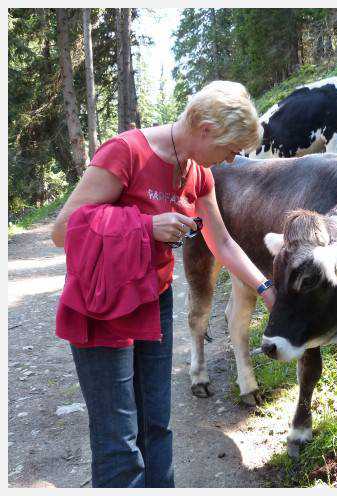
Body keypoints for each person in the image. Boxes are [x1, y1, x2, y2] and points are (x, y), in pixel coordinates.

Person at [51, 80, 275, 488]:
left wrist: (267, 290)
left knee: (157, 426)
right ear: (206, 129)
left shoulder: (198, 174)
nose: (231, 160)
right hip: (103, 305)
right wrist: (146, 226)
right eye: (230, 149)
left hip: (153, 299)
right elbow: (63, 231)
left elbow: (221, 242)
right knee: (119, 440)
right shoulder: (126, 152)